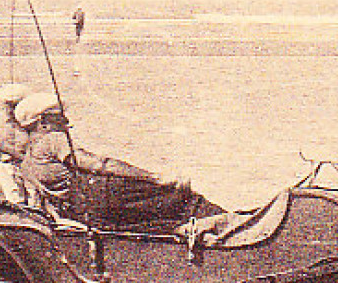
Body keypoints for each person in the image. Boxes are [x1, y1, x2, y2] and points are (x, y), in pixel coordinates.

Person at [14, 93, 221, 229]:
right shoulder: (53, 139)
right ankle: (231, 227)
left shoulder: (27, 160)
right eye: (59, 118)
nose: (67, 123)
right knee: (182, 197)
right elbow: (100, 165)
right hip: (103, 198)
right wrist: (154, 177)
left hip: (83, 212)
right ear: (42, 123)